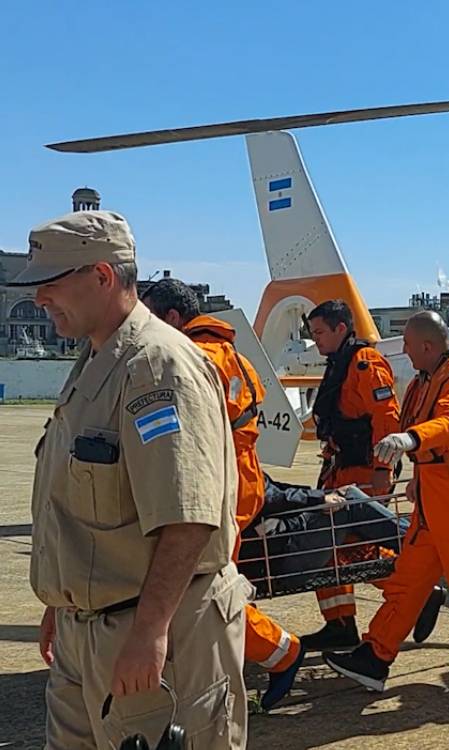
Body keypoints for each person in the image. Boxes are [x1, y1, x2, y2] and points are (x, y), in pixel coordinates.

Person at [13, 211, 251, 748]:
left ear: (101, 276)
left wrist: (149, 632)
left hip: (149, 634)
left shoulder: (157, 366)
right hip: (87, 634)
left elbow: (188, 516)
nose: (40, 299)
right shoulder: (98, 359)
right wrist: (63, 601)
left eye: (50, 284)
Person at [324, 311, 449, 700]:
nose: (404, 353)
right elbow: (431, 433)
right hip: (437, 493)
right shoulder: (426, 378)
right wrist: (417, 474)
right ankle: (374, 657)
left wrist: (411, 440)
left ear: (428, 347)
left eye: (408, 346)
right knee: (408, 580)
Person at [141, 278, 303, 711]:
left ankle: (281, 652)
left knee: (204, 591)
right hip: (237, 479)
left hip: (219, 484)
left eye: (151, 320)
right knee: (201, 588)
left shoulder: (195, 359)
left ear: (173, 318)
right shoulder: (228, 354)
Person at [304, 300, 445, 651]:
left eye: (320, 333)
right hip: (340, 470)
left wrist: (383, 470)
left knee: (357, 550)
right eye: (313, 334)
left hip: (363, 470)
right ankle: (339, 623)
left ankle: (419, 592)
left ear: (341, 328)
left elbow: (387, 418)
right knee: (327, 548)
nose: (316, 340)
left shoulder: (365, 364)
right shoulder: (339, 363)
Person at [237, 475, 411, 595]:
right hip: (277, 561)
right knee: (349, 503)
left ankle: (416, 545)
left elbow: (272, 490)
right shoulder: (235, 459)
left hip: (278, 542)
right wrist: (318, 499)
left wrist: (322, 496)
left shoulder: (230, 455)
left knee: (346, 497)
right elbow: (267, 496)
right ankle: (418, 543)